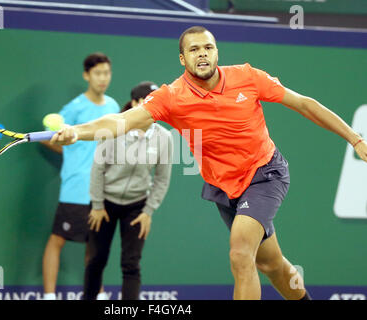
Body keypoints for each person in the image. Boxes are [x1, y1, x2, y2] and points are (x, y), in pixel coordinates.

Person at [50, 26, 367, 300]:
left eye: (208, 47)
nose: (202, 54)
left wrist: (355, 139)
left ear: (217, 52)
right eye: (193, 50)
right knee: (271, 264)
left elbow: (304, 105)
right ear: (182, 59)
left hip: (264, 173)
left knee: (240, 254)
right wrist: (76, 132)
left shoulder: (248, 77)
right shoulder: (171, 96)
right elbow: (121, 121)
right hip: (223, 187)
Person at [83, 81, 173, 300]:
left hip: (137, 207)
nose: (155, 108)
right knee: (97, 260)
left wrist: (148, 211)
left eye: (157, 103)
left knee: (131, 264)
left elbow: (162, 179)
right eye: (148, 102)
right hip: (104, 204)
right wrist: (96, 205)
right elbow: (97, 169)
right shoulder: (114, 129)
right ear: (135, 103)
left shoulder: (165, 138)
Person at [41, 52, 120, 300]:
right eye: (97, 73)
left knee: (95, 244)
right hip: (76, 186)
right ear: (87, 75)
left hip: (103, 189)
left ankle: (97, 293)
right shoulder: (75, 108)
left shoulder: (114, 107)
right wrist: (72, 154)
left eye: (106, 72)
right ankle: (50, 296)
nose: (103, 78)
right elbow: (49, 136)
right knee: (57, 240)